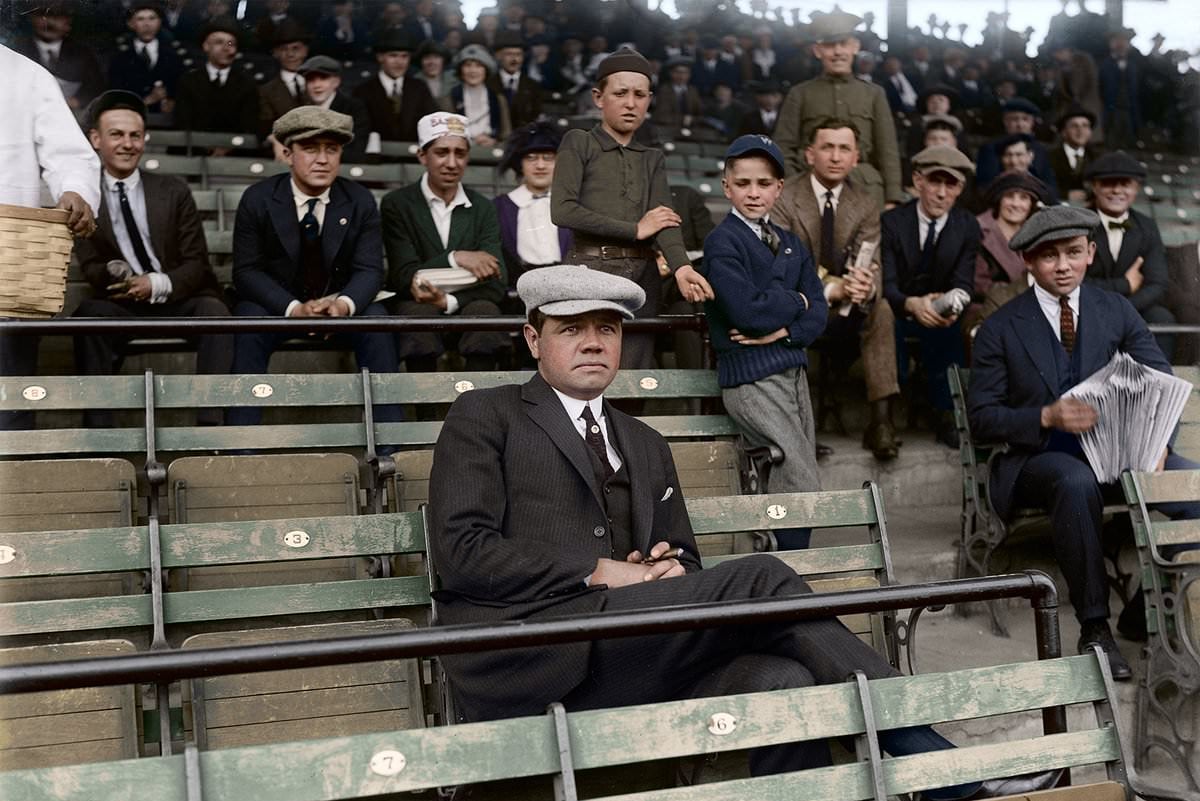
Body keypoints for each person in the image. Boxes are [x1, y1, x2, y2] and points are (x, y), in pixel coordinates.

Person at [428, 263, 1059, 801]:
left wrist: (671, 570)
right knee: (761, 574)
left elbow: (688, 561)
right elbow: (462, 554)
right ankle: (937, 764)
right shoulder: (486, 416)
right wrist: (600, 570)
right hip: (533, 655)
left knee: (782, 683)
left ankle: (927, 769)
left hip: (636, 653)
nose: (593, 343)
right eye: (572, 329)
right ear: (532, 339)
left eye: (608, 329)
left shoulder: (645, 443)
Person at [967, 205, 1200, 680]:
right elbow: (981, 420)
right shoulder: (1001, 326)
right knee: (1074, 481)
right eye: (1049, 256)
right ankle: (1095, 626)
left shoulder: (1115, 308)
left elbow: (1162, 380)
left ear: (1091, 253)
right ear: (1029, 261)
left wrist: (1157, 443)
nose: (1063, 265)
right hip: (1037, 460)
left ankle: (1145, 608)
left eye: (1073, 252)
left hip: (1119, 454)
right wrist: (1045, 415)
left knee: (1192, 489)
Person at [227, 106, 402, 429]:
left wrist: (342, 304)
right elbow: (247, 271)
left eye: (331, 150)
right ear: (287, 153)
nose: (322, 159)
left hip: (338, 304)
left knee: (378, 321)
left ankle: (390, 439)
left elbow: (369, 270)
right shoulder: (259, 198)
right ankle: (242, 440)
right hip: (278, 305)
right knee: (247, 321)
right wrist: (293, 309)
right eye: (310, 149)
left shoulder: (359, 199)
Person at [72, 91, 232, 426]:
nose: (127, 144)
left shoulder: (172, 189)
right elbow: (90, 266)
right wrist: (114, 273)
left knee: (214, 312)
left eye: (135, 135)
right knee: (89, 315)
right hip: (123, 301)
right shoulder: (85, 195)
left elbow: (196, 262)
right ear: (96, 139)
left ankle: (212, 429)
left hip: (176, 296)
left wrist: (156, 283)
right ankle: (101, 433)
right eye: (116, 134)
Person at [550, 48, 714, 369]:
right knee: (592, 370)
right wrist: (635, 230)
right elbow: (563, 211)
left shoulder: (652, 157)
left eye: (640, 95)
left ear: (649, 100)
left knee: (634, 373)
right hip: (590, 270)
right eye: (620, 93)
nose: (630, 103)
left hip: (643, 278)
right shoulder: (579, 142)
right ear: (599, 97)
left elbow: (665, 220)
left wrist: (681, 267)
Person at [702, 135, 827, 548]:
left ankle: (786, 564)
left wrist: (787, 330)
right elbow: (747, 314)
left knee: (801, 469)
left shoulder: (790, 242)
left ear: (779, 187)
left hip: (791, 370)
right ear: (726, 187)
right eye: (742, 184)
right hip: (750, 379)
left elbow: (821, 312)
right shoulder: (723, 242)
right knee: (799, 473)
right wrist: (798, 300)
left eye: (763, 183)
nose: (753, 193)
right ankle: (790, 571)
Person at [774, 119, 900, 462]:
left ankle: (881, 422)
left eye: (844, 148)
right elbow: (785, 263)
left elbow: (871, 258)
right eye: (827, 147)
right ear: (809, 154)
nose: (835, 156)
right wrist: (834, 286)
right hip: (798, 301)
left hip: (844, 308)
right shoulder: (784, 197)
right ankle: (798, 428)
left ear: (856, 157)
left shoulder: (864, 202)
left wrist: (865, 284)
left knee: (882, 309)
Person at [0, 42, 100, 431]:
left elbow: (70, 154)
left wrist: (75, 190)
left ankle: (17, 482)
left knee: (8, 392)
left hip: (9, 264)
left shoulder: (26, 75)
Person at [380, 113, 510, 374]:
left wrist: (447, 301)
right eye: (441, 152)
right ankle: (425, 410)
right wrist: (457, 258)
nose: (452, 163)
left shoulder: (482, 207)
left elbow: (497, 281)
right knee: (416, 317)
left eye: (459, 153)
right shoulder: (398, 203)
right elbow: (404, 276)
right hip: (417, 306)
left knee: (485, 312)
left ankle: (478, 409)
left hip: (466, 304)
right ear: (422, 156)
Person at [881, 145, 980, 448]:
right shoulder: (893, 222)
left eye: (950, 185)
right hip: (898, 309)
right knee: (885, 321)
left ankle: (947, 415)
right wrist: (911, 304)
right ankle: (885, 419)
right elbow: (885, 281)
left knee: (950, 328)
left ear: (960, 189)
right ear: (917, 181)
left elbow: (965, 282)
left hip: (940, 310)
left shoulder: (966, 226)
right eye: (934, 182)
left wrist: (950, 302)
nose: (941, 193)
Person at [773, 9, 903, 210]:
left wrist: (892, 197)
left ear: (855, 47)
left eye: (844, 44)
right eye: (830, 45)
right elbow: (783, 147)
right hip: (810, 190)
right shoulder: (800, 93)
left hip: (864, 189)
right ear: (817, 51)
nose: (838, 52)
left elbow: (888, 150)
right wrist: (795, 184)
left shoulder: (874, 94)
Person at [1082, 151, 1174, 361]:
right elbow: (1075, 282)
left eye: (1125, 184)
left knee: (1162, 317)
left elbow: (1157, 283)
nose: (1116, 190)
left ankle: (1159, 382)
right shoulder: (1078, 224)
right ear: (1094, 186)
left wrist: (1124, 309)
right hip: (1088, 307)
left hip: (1134, 306)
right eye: (1108, 183)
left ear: (1136, 188)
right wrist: (1124, 284)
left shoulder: (1147, 226)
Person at [494, 122, 573, 289]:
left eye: (548, 157)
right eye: (531, 158)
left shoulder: (573, 205)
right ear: (519, 164)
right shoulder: (499, 207)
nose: (540, 165)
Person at [173, 17, 261, 136]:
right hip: (195, 149)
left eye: (231, 44)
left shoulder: (247, 83)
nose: (226, 48)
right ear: (206, 46)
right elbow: (183, 123)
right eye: (219, 42)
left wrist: (226, 147)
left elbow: (250, 126)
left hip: (236, 151)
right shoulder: (188, 81)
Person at [13, 1, 104, 112]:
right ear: (31, 18)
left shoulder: (83, 53)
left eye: (57, 16)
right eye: (42, 15)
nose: (49, 22)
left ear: (69, 21)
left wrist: (76, 101)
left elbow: (95, 87)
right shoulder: (17, 51)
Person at [352, 28, 437, 145]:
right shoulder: (363, 91)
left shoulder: (419, 88)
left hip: (413, 157)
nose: (399, 62)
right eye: (393, 56)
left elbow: (431, 125)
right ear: (380, 57)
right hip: (376, 158)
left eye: (404, 56)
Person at [107, 1, 182, 115]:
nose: (147, 24)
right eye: (140, 19)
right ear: (131, 24)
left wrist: (172, 102)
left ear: (159, 22)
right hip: (129, 116)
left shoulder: (173, 55)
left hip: (165, 120)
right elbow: (115, 93)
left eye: (152, 18)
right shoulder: (119, 57)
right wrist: (147, 100)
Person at [295, 56, 370, 162]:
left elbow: (356, 149)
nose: (317, 85)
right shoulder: (299, 109)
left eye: (323, 78)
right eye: (311, 80)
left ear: (336, 82)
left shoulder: (353, 108)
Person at [974, 98, 1056, 191]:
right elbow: (985, 185)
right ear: (1005, 121)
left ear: (1032, 122)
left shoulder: (1040, 150)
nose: (1020, 124)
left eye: (1025, 119)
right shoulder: (990, 148)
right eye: (1014, 119)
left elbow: (1050, 185)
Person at [257, 18, 310, 139]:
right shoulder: (266, 91)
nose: (290, 54)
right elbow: (267, 128)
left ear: (305, 51)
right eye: (284, 49)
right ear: (275, 53)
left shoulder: (318, 84)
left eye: (296, 48)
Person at [449, 43, 510, 147]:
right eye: (468, 65)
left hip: (491, 152)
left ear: (486, 70)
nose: (473, 71)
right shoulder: (450, 98)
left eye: (479, 66)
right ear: (461, 70)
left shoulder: (498, 99)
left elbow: (507, 135)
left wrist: (494, 142)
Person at [490, 31, 542, 130]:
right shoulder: (488, 84)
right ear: (498, 56)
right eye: (509, 54)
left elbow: (536, 117)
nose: (514, 59)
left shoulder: (533, 86)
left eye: (518, 55)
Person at [1049, 105, 1100, 205]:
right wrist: (1064, 194)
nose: (1080, 131)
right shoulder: (1050, 156)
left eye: (1085, 126)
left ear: (1090, 132)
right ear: (1064, 132)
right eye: (1074, 126)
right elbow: (1043, 185)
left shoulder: (1097, 157)